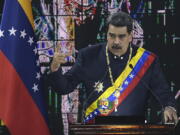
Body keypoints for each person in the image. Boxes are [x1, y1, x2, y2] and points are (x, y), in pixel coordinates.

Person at [48, 11, 178, 124]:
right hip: (96, 128)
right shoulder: (88, 56)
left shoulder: (146, 60)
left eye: (121, 36)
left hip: (135, 128)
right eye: (112, 36)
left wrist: (169, 107)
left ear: (130, 37)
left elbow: (163, 92)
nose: (116, 41)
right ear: (107, 35)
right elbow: (64, 87)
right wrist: (55, 68)